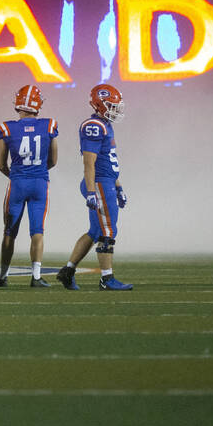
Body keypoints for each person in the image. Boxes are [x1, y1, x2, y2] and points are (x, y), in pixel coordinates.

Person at [56, 84, 134, 291]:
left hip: (106, 181)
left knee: (95, 230)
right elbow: (89, 163)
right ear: (99, 104)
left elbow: (108, 161)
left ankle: (68, 271)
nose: (116, 109)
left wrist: (118, 186)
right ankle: (106, 279)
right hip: (99, 183)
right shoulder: (94, 125)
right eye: (111, 105)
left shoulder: (105, 124)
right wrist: (92, 192)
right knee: (108, 230)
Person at [0, 85, 59, 288]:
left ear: (18, 104)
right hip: (40, 183)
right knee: (37, 230)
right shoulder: (49, 125)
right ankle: (36, 277)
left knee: (9, 232)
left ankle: (3, 276)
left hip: (18, 184)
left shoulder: (7, 127)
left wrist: (16, 174)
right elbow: (53, 160)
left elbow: (1, 164)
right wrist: (36, 171)